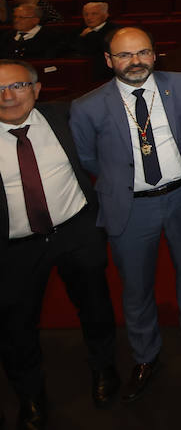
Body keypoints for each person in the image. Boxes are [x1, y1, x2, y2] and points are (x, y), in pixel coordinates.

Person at [70, 27, 181, 402]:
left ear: (155, 55)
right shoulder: (87, 106)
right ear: (108, 61)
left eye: (142, 53)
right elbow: (89, 159)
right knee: (137, 286)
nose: (135, 61)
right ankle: (145, 354)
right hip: (131, 206)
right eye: (124, 55)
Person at [0, 60, 120, 425]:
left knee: (95, 307)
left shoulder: (65, 116)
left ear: (37, 89)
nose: (7, 97)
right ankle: (30, 395)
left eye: (17, 86)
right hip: (15, 247)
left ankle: (104, 369)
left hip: (76, 230)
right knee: (16, 327)